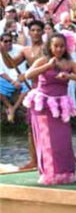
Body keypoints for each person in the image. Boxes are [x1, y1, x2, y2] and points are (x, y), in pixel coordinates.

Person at [23, 32, 76, 184]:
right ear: (50, 46)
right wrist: (48, 66)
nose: (59, 49)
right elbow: (28, 75)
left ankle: (64, 174)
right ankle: (49, 174)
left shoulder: (69, 63)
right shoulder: (43, 60)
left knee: (62, 141)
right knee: (47, 141)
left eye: (61, 46)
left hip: (60, 106)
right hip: (43, 106)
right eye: (56, 46)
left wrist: (69, 76)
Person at [1, 20, 45, 169]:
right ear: (29, 32)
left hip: (47, 88)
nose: (35, 33)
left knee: (51, 125)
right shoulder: (25, 50)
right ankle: (33, 160)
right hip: (34, 89)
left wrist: (26, 74)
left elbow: (50, 64)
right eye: (32, 30)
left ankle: (63, 155)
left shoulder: (47, 48)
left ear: (43, 32)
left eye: (38, 30)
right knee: (31, 125)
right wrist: (2, 51)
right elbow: (10, 64)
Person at [0, 33, 29, 123]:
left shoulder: (20, 49)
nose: (9, 43)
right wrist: (13, 82)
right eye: (5, 41)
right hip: (8, 79)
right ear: (1, 43)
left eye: (10, 40)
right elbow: (1, 73)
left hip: (23, 77)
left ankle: (14, 108)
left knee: (29, 84)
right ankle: (9, 106)